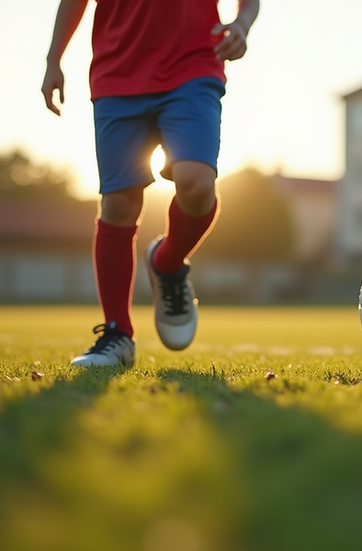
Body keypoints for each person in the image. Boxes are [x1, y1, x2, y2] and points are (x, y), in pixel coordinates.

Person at [41, 0, 260, 367]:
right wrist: (53, 59)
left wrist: (242, 23)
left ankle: (168, 262)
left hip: (193, 65)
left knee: (198, 184)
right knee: (119, 203)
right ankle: (117, 334)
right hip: (117, 74)